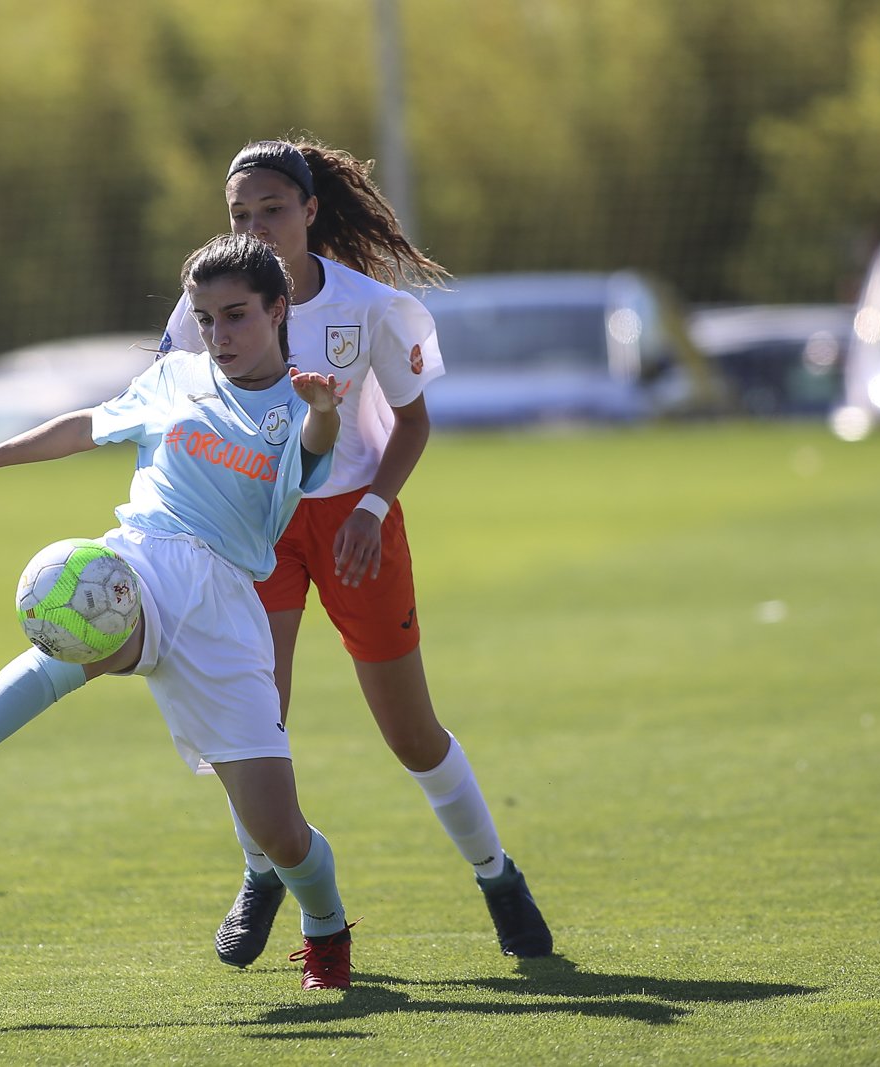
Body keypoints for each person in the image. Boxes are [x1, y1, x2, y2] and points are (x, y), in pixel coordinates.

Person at [0, 233, 357, 990]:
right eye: (206, 319)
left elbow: (314, 449)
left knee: (279, 831)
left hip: (226, 606)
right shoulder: (175, 377)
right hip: (143, 554)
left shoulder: (298, 403)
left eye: (236, 316)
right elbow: (84, 425)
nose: (220, 334)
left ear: (278, 308)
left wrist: (326, 409)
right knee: (81, 629)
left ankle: (326, 930)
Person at [156, 139, 552, 964]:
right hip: (255, 528)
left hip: (353, 525)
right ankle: (262, 871)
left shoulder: (369, 306)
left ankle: (497, 874)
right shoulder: (207, 307)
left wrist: (373, 505)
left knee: (411, 733)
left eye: (272, 208)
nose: (257, 226)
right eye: (240, 214)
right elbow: (170, 419)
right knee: (253, 722)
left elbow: (411, 422)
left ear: (309, 211)